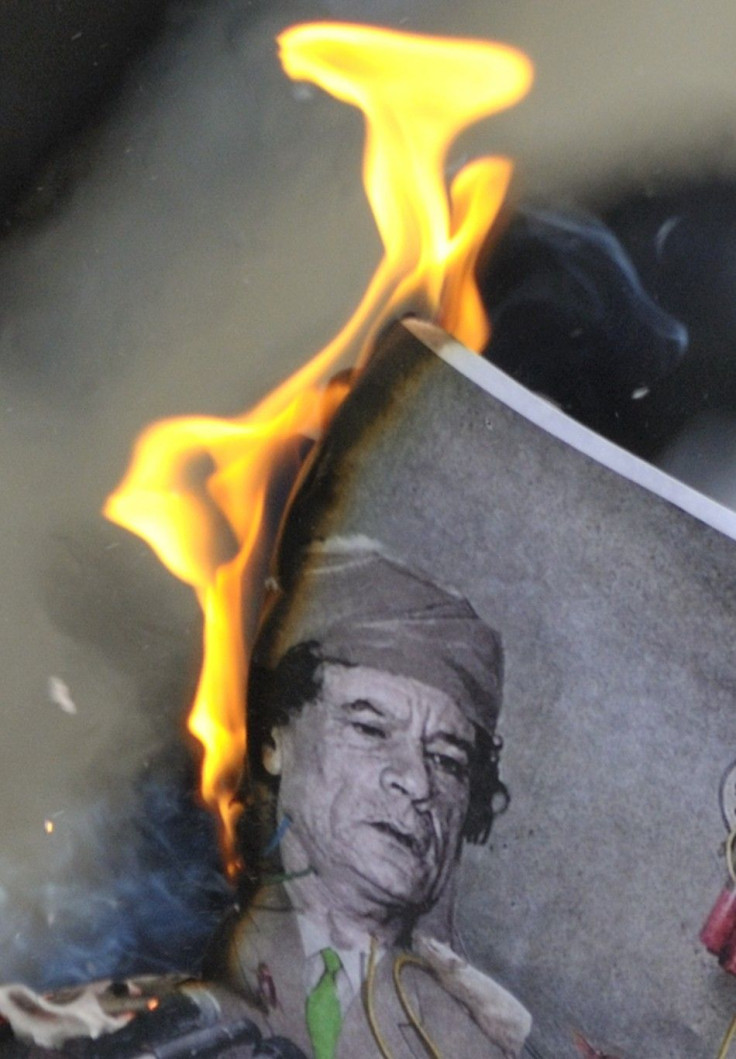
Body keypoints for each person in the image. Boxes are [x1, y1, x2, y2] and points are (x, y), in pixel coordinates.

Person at [208, 536, 531, 1059]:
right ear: (274, 739)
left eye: (447, 760)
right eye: (370, 728)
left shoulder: (469, 1041)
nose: (418, 783)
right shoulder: (186, 932)